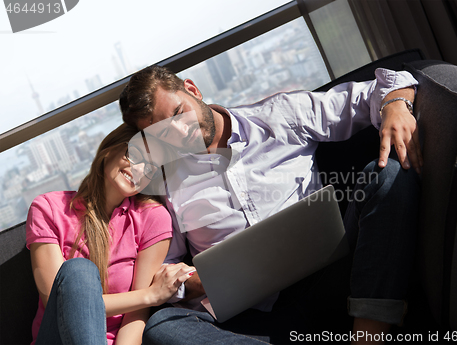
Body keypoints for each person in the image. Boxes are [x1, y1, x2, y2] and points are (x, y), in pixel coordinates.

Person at [120, 65, 422, 344]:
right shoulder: (166, 185)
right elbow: (166, 271)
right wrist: (199, 281)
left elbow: (383, 87)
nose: (182, 132)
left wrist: (395, 106)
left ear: (193, 90)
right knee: (163, 326)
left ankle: (369, 336)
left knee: (388, 175)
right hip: (258, 318)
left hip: (334, 276)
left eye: (179, 112)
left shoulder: (279, 114)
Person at [26, 124, 196, 345]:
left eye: (150, 168)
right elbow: (57, 302)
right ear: (109, 149)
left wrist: (143, 300)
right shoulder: (48, 208)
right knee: (79, 272)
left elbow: (136, 316)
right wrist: (151, 295)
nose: (139, 169)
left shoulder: (152, 218)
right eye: (134, 154)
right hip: (57, 337)